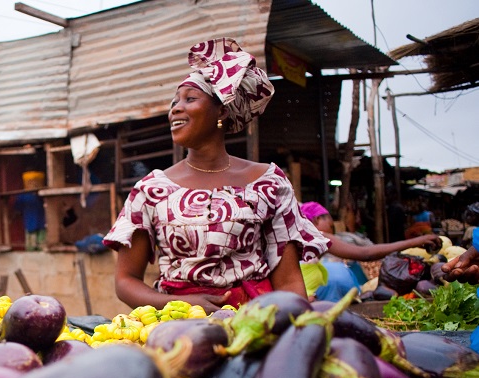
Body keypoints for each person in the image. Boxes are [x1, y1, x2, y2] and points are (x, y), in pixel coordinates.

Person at [103, 38, 328, 312]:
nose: (175, 107)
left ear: (221, 110)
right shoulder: (151, 190)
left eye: (190, 99)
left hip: (255, 322)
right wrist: (181, 303)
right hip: (178, 326)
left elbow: (290, 282)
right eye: (174, 101)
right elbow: (125, 281)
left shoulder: (268, 183)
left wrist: (295, 330)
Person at [299, 202, 439, 300]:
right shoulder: (315, 237)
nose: (332, 228)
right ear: (317, 219)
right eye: (331, 223)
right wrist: (415, 242)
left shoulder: (294, 237)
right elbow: (365, 253)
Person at [13, 171, 47, 251]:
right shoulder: (24, 195)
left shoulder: (41, 195)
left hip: (35, 224)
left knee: (33, 247)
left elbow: (17, 209)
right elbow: (17, 208)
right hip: (35, 224)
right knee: (38, 247)